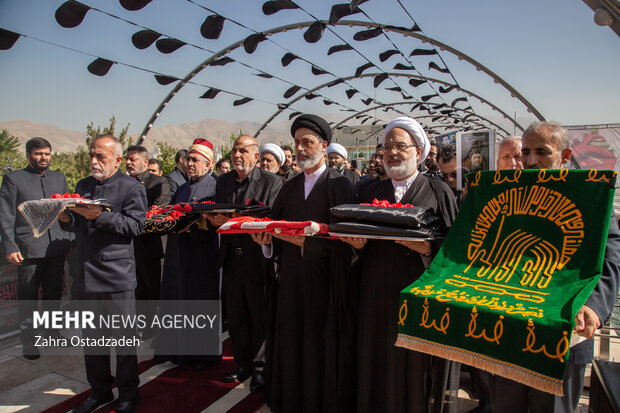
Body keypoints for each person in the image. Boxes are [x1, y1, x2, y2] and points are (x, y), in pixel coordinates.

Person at [488, 121, 620, 413]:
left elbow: (610, 258)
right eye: (527, 152)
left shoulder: (592, 196)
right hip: (508, 334)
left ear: (565, 154)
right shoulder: (507, 195)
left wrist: (594, 308)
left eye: (542, 152)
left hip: (564, 339)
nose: (531, 160)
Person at [339, 117, 457, 413]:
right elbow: (357, 246)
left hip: (420, 295)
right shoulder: (368, 193)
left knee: (416, 369)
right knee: (376, 359)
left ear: (419, 151)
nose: (392, 152)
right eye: (387, 146)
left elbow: (457, 251)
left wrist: (429, 249)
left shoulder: (439, 192)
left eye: (400, 146)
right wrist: (357, 248)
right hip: (376, 295)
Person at [251, 114, 356, 413]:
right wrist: (266, 243)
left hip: (325, 286)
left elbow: (345, 240)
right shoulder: (289, 186)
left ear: (324, 146)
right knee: (291, 346)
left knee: (318, 351)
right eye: (297, 143)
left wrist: (307, 244)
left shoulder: (341, 186)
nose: (300, 149)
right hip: (291, 285)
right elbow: (274, 229)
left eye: (307, 142)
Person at [58, 134, 146, 413]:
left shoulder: (131, 187)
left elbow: (136, 226)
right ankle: (99, 391)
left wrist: (99, 215)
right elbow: (77, 223)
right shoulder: (84, 185)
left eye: (101, 157)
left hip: (116, 275)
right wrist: (65, 218)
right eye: (92, 156)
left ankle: (129, 393)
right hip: (85, 272)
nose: (94, 162)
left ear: (118, 160)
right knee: (92, 339)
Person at [206, 136, 283, 393]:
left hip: (258, 257)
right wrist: (216, 220)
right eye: (234, 151)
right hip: (231, 257)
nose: (237, 155)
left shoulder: (271, 182)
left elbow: (273, 217)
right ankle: (243, 364)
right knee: (237, 314)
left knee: (259, 314)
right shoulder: (224, 182)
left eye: (243, 151)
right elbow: (219, 212)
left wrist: (241, 219)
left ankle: (261, 367)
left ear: (256, 156)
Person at [0, 137, 72, 359]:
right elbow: (6, 215)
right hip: (27, 248)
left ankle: (52, 332)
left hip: (56, 247)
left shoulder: (59, 178)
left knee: (53, 293)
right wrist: (10, 246)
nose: (44, 158)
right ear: (28, 155)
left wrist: (69, 236)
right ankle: (28, 341)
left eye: (47, 154)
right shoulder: (14, 179)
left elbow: (68, 207)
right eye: (39, 154)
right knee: (28, 296)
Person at [155, 138, 220, 368]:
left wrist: (193, 224)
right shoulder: (181, 188)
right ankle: (177, 351)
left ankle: (203, 355)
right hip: (177, 252)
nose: (189, 163)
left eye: (195, 160)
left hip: (201, 254)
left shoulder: (216, 187)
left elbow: (218, 221)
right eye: (188, 159)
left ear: (208, 164)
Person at [125, 145, 170, 339]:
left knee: (151, 288)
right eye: (127, 159)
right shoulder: (124, 183)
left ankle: (152, 327)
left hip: (150, 245)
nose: (128, 163)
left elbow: (158, 212)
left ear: (145, 161)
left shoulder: (158, 183)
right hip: (128, 245)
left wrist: (129, 219)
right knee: (135, 288)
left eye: (132, 159)